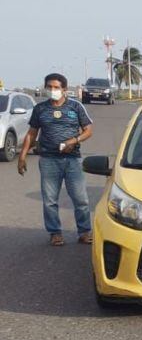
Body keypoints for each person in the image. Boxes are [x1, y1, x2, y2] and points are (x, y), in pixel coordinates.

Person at [16, 73, 94, 247]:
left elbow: (88, 130)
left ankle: (84, 232)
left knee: (81, 199)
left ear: (64, 89)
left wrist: (73, 141)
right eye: (49, 87)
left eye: (56, 87)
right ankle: (55, 233)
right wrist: (22, 156)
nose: (53, 90)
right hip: (48, 159)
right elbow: (32, 133)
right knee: (50, 200)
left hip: (72, 160)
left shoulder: (76, 107)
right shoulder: (40, 109)